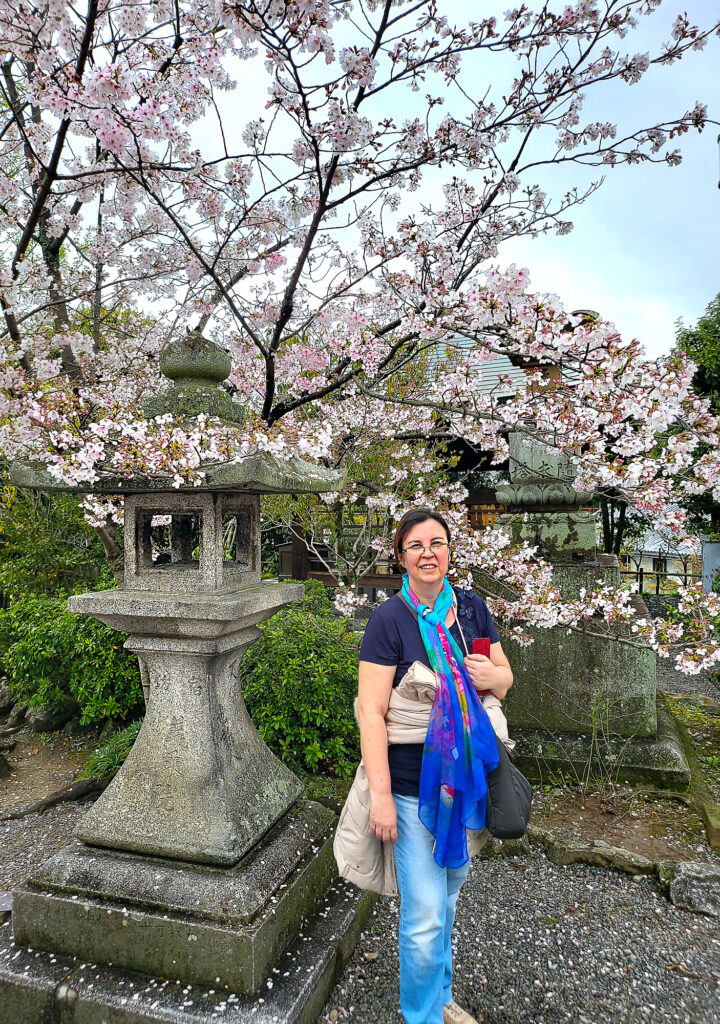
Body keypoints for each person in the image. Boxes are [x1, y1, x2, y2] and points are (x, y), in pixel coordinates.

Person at [357, 507, 513, 1024]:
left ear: (449, 550)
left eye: (437, 543)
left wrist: (492, 676)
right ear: (401, 557)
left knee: (446, 900)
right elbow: (370, 711)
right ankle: (421, 1016)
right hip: (409, 788)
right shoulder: (389, 620)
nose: (428, 554)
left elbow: (505, 679)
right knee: (424, 915)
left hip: (463, 783)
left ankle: (440, 998)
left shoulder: (470, 610)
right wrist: (380, 797)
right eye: (416, 546)